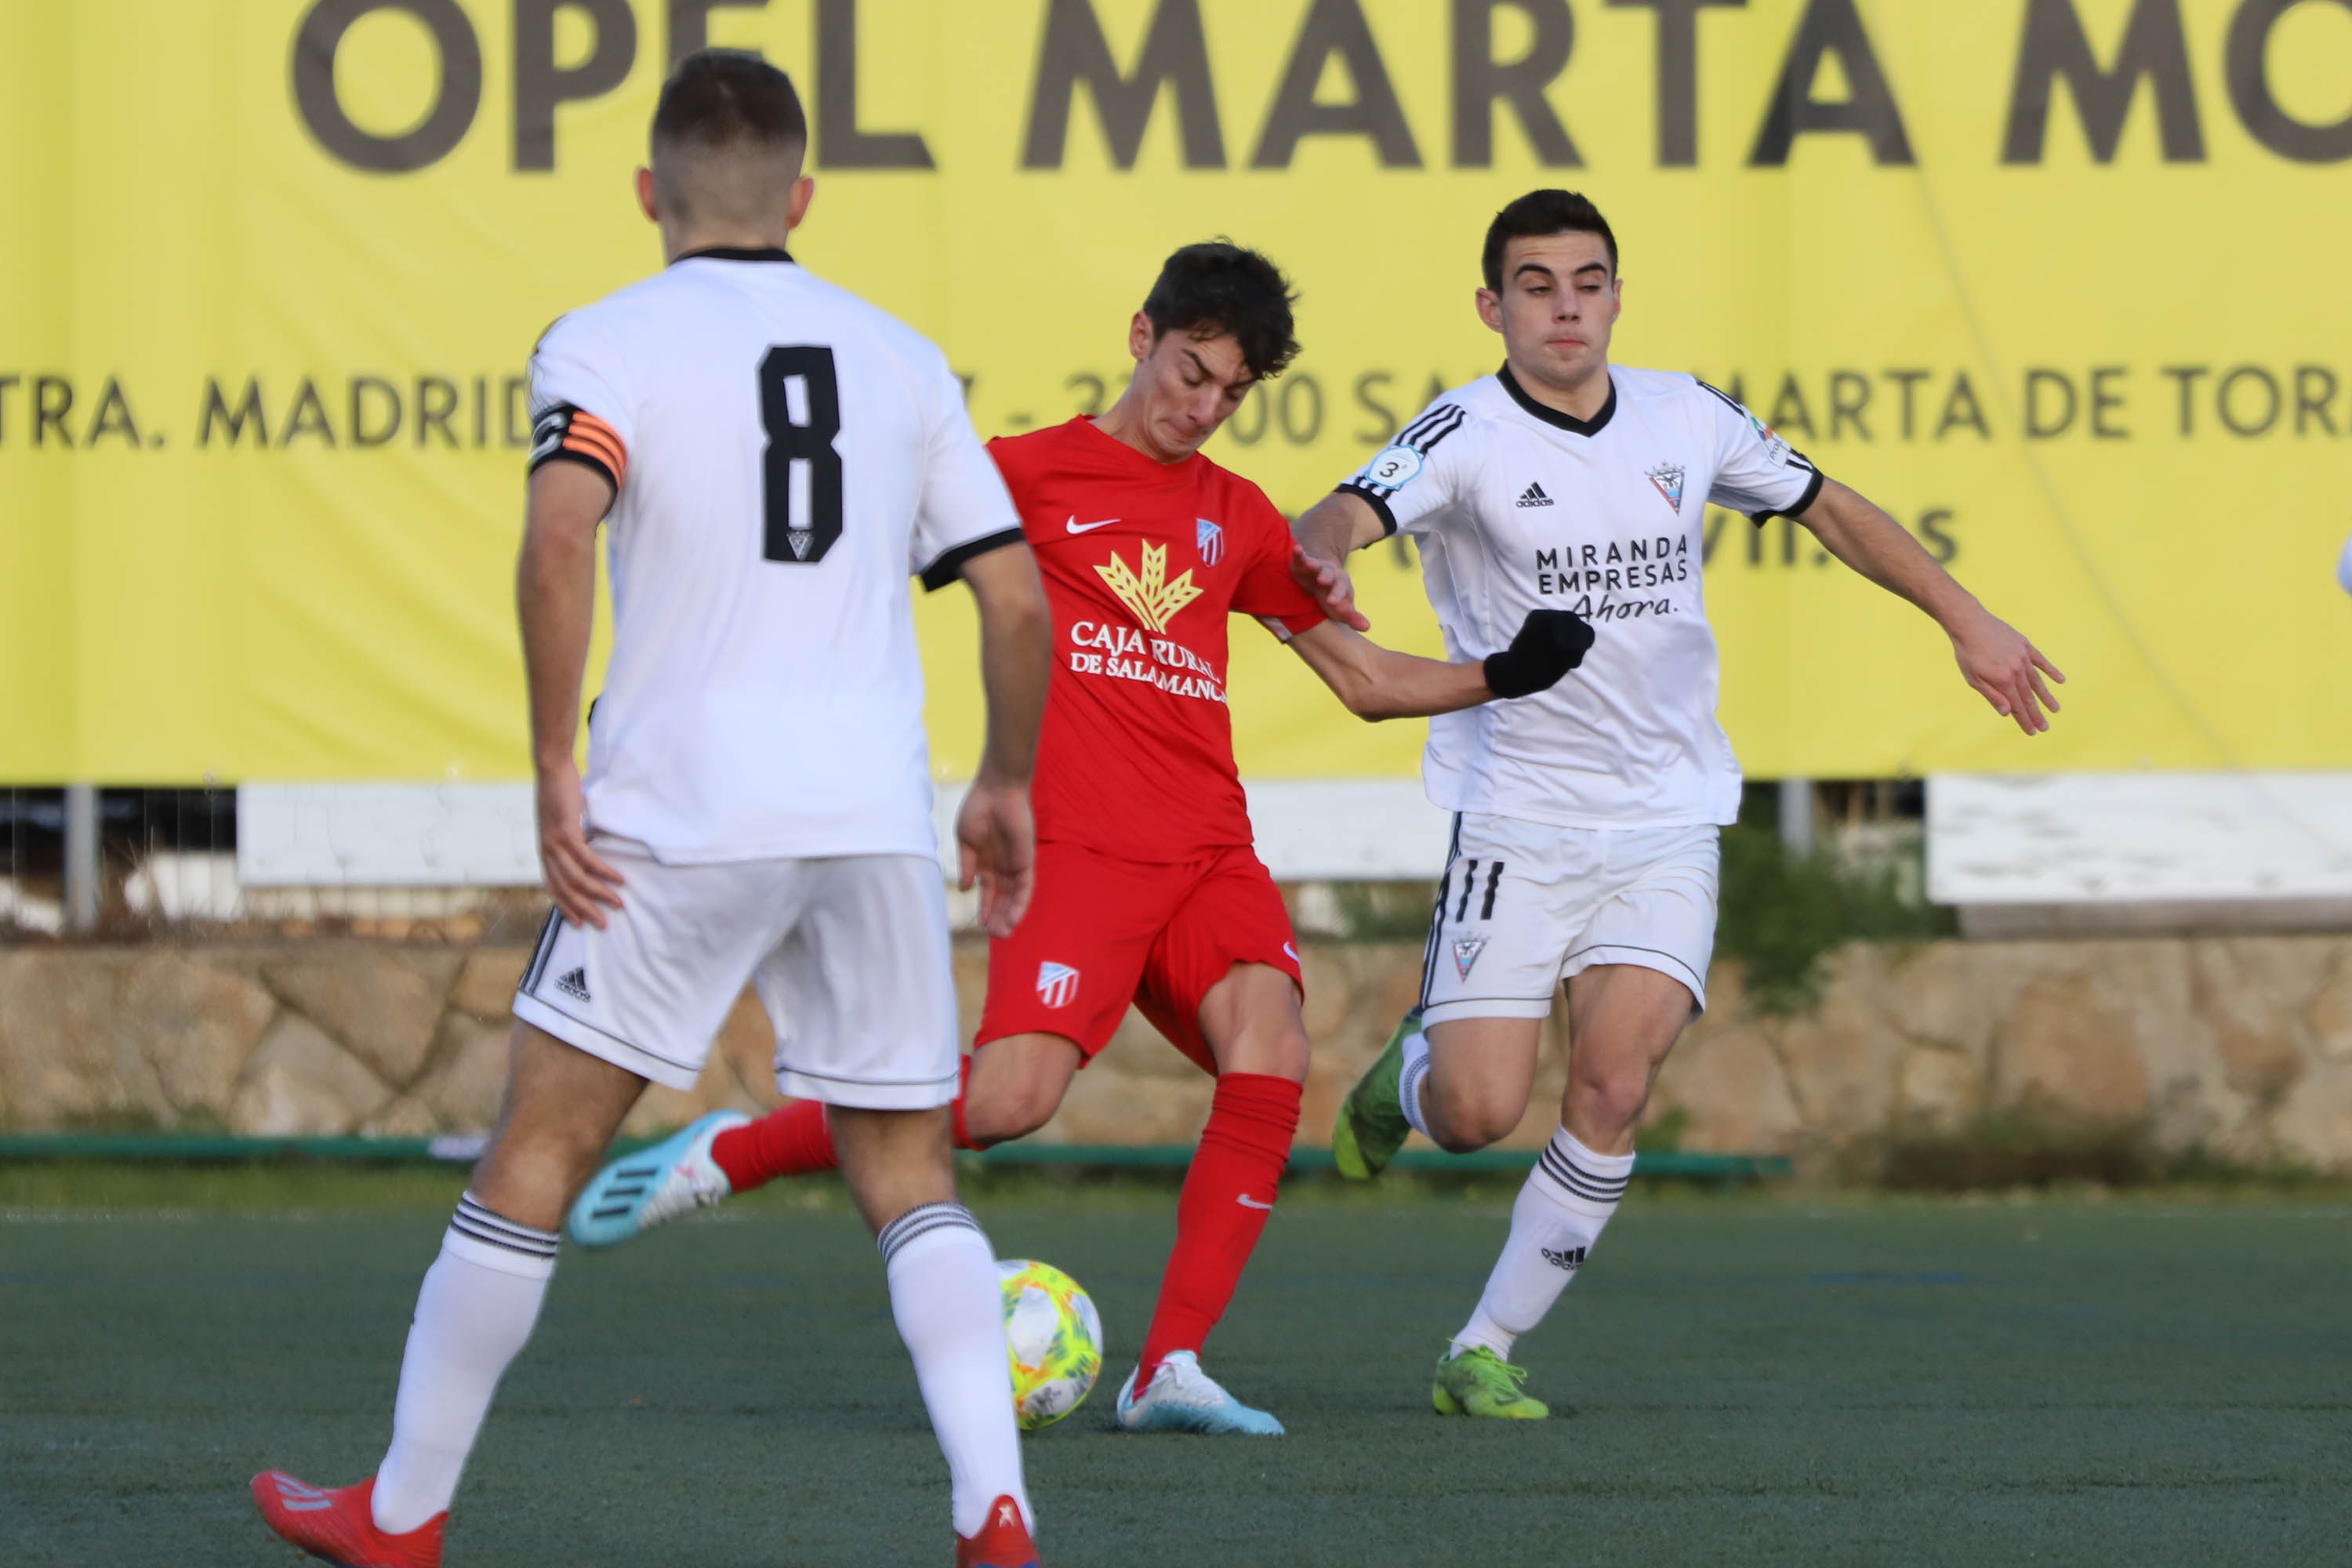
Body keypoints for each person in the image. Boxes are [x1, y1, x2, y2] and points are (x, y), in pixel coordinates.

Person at [567, 241, 1594, 1436]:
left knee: (1272, 1048)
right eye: (1192, 372)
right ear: (1142, 337)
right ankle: (739, 1152)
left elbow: (1362, 679)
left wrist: (1503, 674)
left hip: (1208, 854)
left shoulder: (1237, 516)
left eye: (1231, 394)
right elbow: (834, 570)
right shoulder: (1021, 474)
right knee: (1010, 1103)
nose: (1203, 408)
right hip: (1077, 853)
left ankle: (1171, 1369)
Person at [252, 52, 1053, 1568]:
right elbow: (1015, 603)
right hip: (872, 820)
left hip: (679, 814)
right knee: (907, 1177)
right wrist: (1003, 782)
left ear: (647, 194)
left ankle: (400, 1515)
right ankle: (994, 1509)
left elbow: (560, 538)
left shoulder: (606, 339)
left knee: (535, 1153)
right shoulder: (902, 358)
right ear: (802, 199)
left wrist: (554, 762)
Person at [1292, 189, 2065, 1421]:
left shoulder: (1685, 414)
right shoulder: (1464, 432)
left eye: (1587, 282)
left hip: (1667, 817)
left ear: (1616, 296)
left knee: (1614, 1085)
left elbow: (1833, 508)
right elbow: (1337, 510)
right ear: (1492, 307)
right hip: (1519, 816)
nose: (1565, 308)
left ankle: (1483, 1347)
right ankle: (1417, 1064)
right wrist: (1327, 552)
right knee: (1480, 1114)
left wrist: (1966, 620)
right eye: (1536, 286)